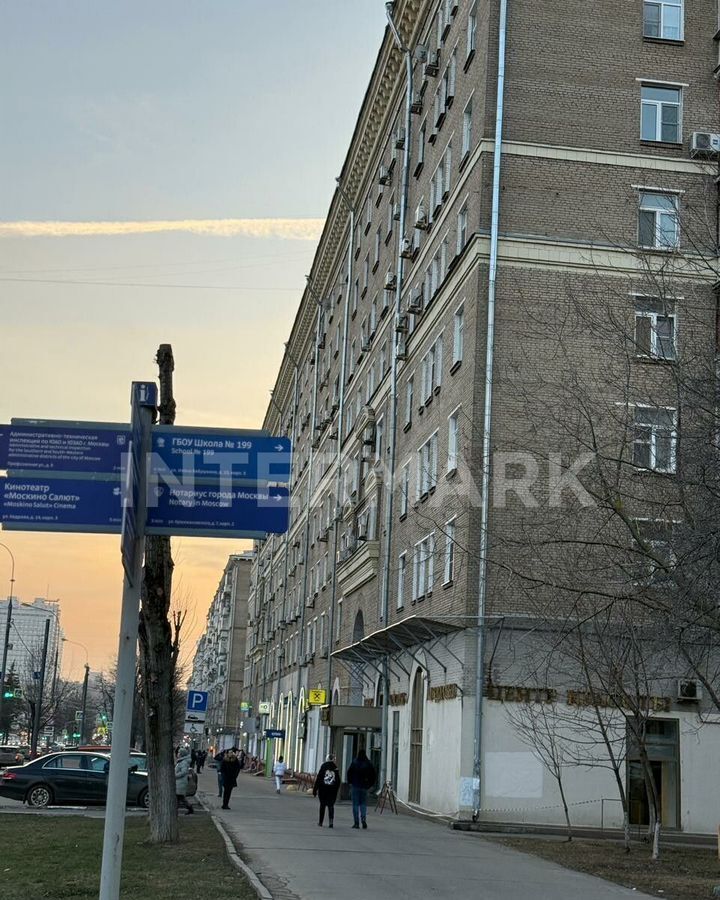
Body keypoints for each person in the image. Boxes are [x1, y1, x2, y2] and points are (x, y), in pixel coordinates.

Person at [347, 748, 376, 829]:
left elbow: (349, 773)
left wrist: (350, 782)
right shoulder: (368, 763)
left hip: (355, 786)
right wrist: (370, 785)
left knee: (355, 804)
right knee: (363, 804)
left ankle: (356, 823)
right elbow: (373, 775)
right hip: (364, 787)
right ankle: (363, 819)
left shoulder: (355, 762)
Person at [313, 754, 340, 828]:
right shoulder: (335, 767)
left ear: (327, 759)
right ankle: (331, 822)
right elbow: (338, 780)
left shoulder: (323, 766)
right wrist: (336, 789)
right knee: (331, 806)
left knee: (322, 805)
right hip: (332, 790)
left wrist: (315, 790)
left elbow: (319, 778)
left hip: (323, 789)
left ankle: (320, 822)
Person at [175, 746, 194, 815]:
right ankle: (190, 808)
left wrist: (175, 776)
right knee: (181, 798)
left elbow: (184, 772)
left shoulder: (183, 762)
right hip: (179, 782)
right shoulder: (181, 761)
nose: (178, 754)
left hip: (180, 782)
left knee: (177, 798)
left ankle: (174, 812)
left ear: (182, 754)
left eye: (179, 752)